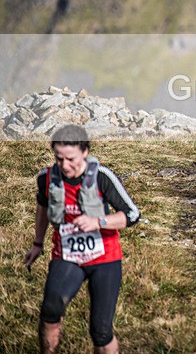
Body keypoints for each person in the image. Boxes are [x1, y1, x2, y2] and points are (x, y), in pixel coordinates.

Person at [24, 124, 140, 354]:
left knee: (101, 331)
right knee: (50, 311)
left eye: (71, 159)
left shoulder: (102, 177)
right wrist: (38, 243)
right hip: (67, 255)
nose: (65, 165)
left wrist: (98, 222)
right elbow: (43, 206)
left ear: (85, 152)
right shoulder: (47, 178)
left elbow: (132, 215)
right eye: (59, 159)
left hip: (104, 258)